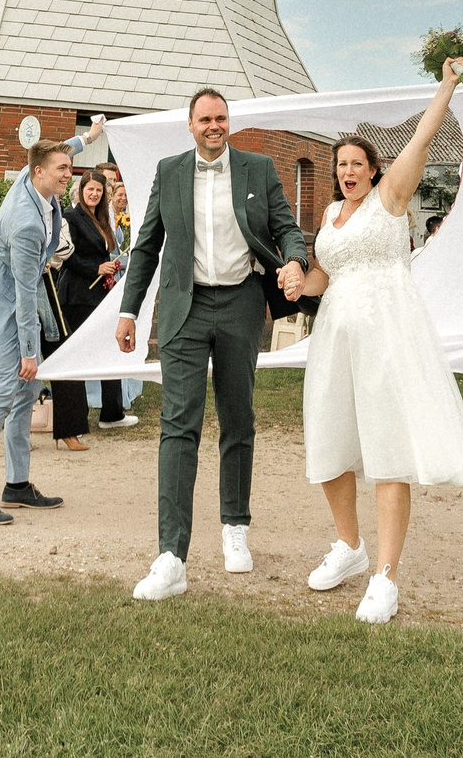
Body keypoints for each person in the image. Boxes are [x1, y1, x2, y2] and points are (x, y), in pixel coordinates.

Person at [298, 59, 463, 624]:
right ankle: (348, 546)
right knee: (329, 439)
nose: (348, 172)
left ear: (376, 170)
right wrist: (295, 280)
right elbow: (320, 280)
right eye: (341, 166)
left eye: (357, 164)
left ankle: (385, 575)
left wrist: (448, 86)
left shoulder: (392, 200)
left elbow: (424, 132)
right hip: (334, 334)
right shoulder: (331, 213)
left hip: (386, 331)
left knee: (386, 448)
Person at [117, 88, 310, 601]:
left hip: (241, 306)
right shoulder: (170, 171)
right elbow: (147, 246)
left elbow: (287, 229)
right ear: (190, 125)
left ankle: (234, 526)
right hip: (185, 308)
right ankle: (171, 556)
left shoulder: (259, 168)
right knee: (178, 425)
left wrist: (295, 261)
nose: (213, 126)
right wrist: (128, 309)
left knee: (238, 417)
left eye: (221, 118)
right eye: (205, 119)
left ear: (230, 123)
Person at [0, 141, 73, 524]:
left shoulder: (31, 176)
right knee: (4, 392)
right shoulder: (24, 222)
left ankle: (17, 485)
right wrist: (28, 352)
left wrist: (87, 139)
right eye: (61, 169)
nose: (68, 173)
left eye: (69, 167)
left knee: (26, 392)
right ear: (39, 171)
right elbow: (25, 295)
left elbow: (59, 150)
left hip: (15, 303)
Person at [52, 169, 130, 446]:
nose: (94, 194)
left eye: (99, 190)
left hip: (98, 294)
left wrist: (109, 267)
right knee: (80, 357)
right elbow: (67, 257)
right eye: (90, 190)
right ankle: (77, 421)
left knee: (102, 354)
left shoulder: (101, 219)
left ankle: (109, 412)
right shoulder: (71, 218)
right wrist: (95, 267)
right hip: (77, 295)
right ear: (81, 191)